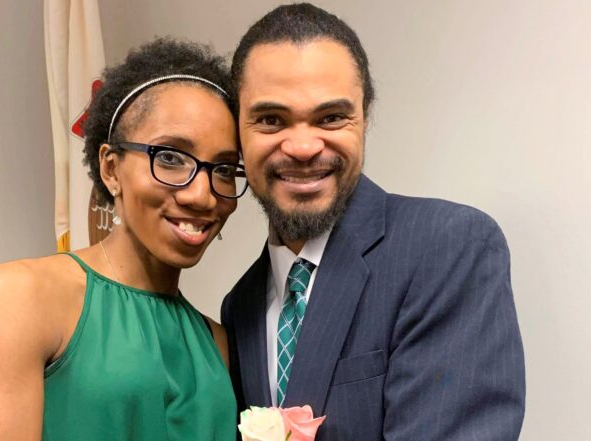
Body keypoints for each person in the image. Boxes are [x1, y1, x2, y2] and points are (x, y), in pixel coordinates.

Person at [221, 3, 525, 440]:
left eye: (330, 117)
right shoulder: (240, 306)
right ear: (237, 132)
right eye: (271, 119)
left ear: (365, 117)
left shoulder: (448, 248)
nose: (304, 146)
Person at [0, 38, 246, 441]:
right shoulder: (25, 295)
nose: (203, 194)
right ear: (111, 168)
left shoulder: (218, 344)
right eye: (171, 158)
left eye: (225, 169)